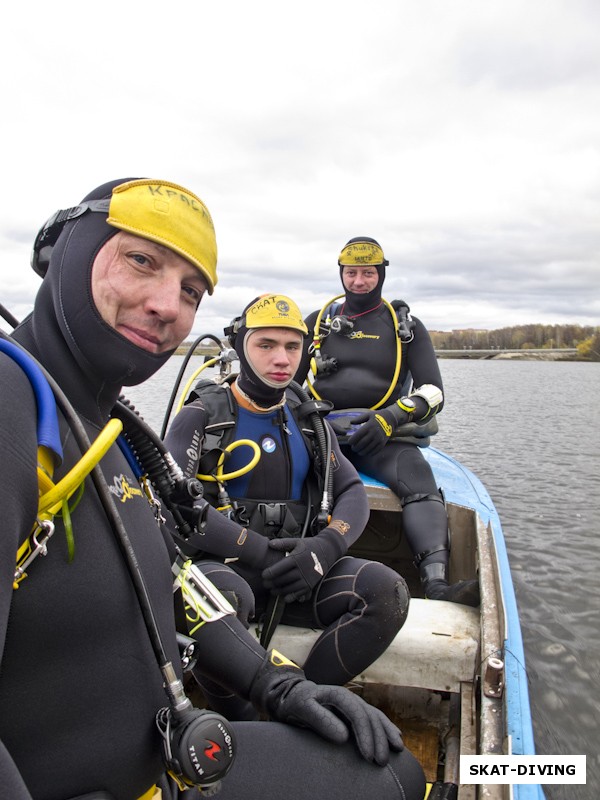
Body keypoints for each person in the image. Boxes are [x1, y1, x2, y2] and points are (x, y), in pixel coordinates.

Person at [0, 182, 425, 800]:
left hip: (167, 761)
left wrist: (280, 685)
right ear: (62, 251)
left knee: (392, 770)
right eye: (141, 260)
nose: (167, 305)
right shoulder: (15, 413)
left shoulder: (109, 430)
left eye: (191, 290)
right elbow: (194, 537)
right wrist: (254, 552)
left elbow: (170, 576)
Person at [164, 293, 410, 716]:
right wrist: (256, 550)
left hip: (299, 571)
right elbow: (172, 508)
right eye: (266, 345)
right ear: (241, 346)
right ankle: (239, 718)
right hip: (225, 570)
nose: (281, 358)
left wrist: (324, 548)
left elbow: (352, 492)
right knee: (223, 594)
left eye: (292, 346)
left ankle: (300, 704)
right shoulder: (202, 416)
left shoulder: (307, 418)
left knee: (386, 592)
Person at [294, 236, 480, 607]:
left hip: (382, 438)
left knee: (419, 479)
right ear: (341, 274)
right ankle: (289, 569)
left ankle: (437, 584)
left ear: (381, 274)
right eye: (351, 274)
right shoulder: (318, 324)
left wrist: (390, 419)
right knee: (282, 472)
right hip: (323, 434)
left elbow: (434, 392)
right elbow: (287, 383)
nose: (359, 282)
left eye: (367, 273)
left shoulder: (405, 328)